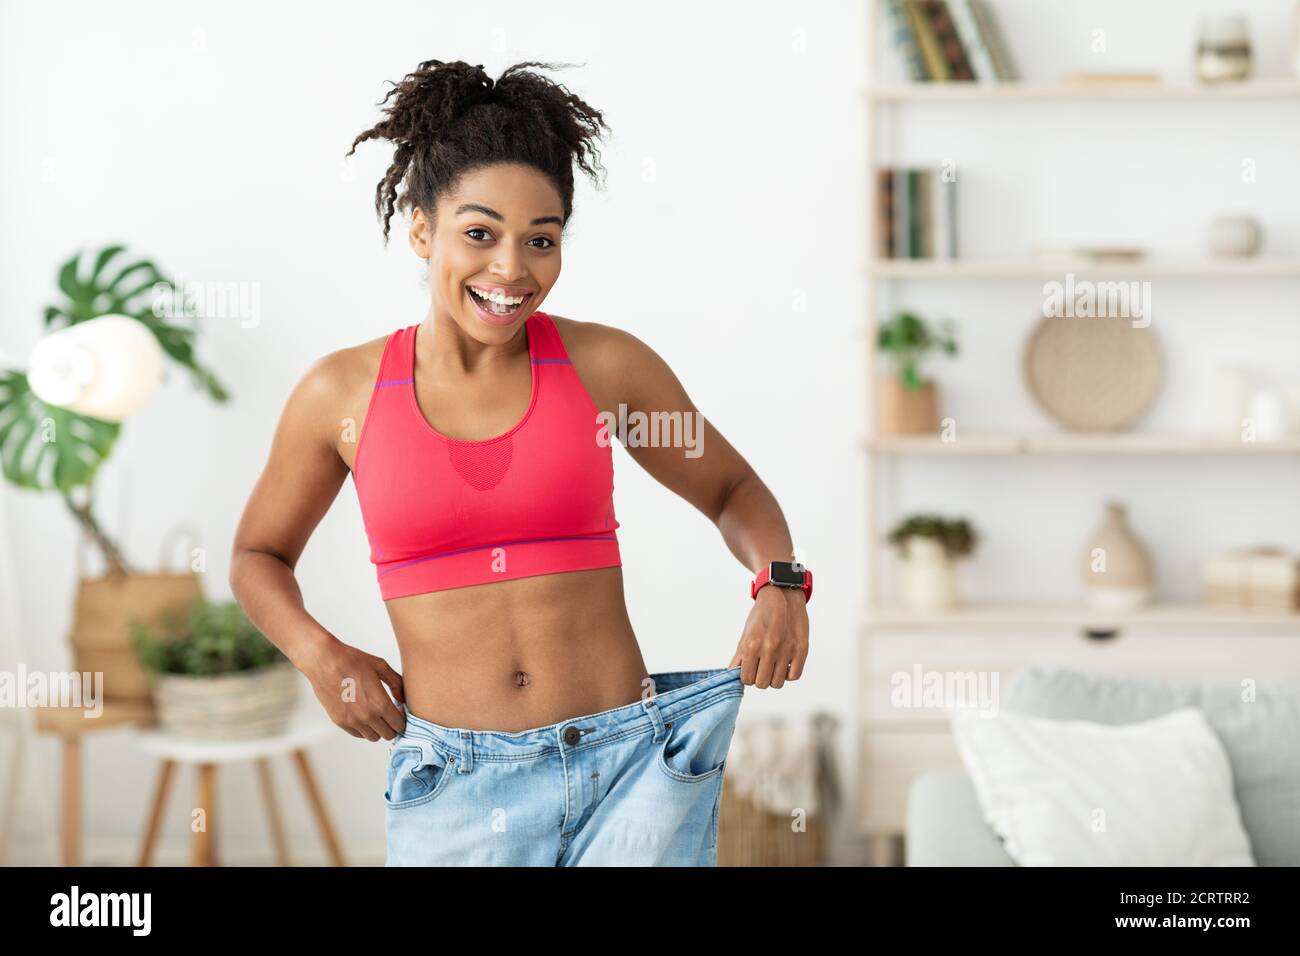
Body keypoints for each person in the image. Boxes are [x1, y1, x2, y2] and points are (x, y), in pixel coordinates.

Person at [229, 59, 811, 866]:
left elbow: (730, 487)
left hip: (630, 769)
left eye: (541, 239)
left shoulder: (605, 367)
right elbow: (258, 555)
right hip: (459, 789)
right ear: (422, 229)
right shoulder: (342, 394)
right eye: (480, 233)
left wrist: (780, 581)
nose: (511, 269)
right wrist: (319, 654)